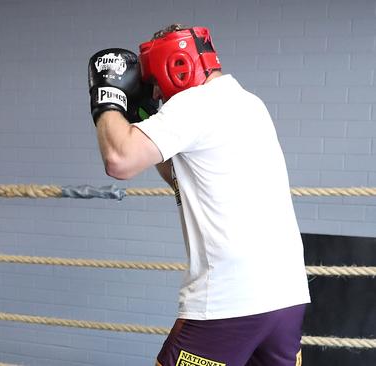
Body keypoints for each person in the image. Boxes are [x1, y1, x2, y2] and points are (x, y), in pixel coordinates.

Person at [87, 24, 310, 366]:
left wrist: (109, 98)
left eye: (155, 83)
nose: (157, 94)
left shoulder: (195, 104)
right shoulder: (249, 103)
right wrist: (142, 117)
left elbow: (120, 159)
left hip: (230, 303)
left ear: (176, 66)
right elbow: (180, 175)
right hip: (286, 298)